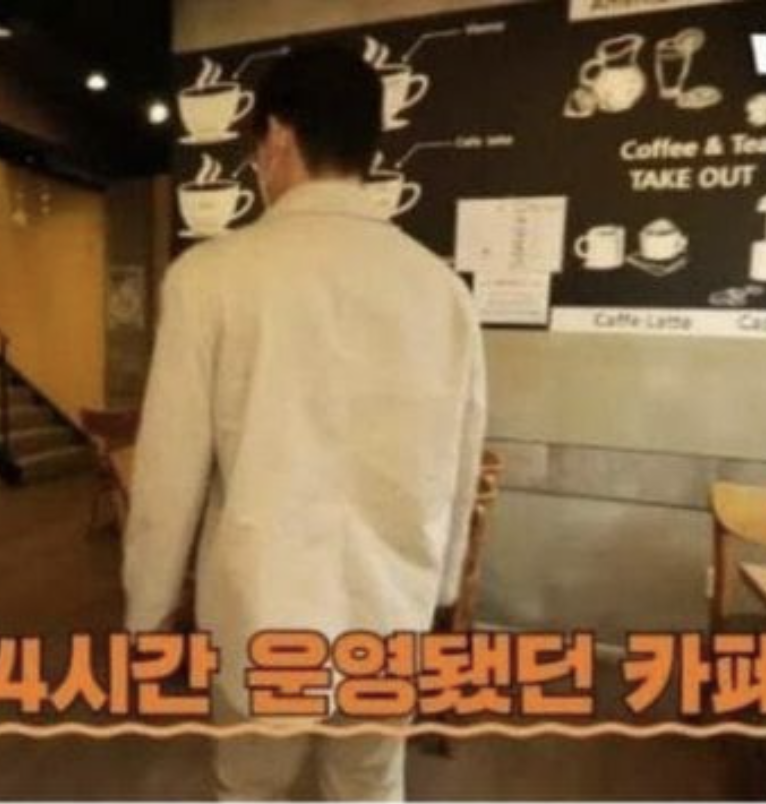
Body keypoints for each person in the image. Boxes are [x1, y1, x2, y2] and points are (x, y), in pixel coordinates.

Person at [123, 45, 487, 801]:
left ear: (278, 135)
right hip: (389, 606)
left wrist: (147, 612)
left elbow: (167, 472)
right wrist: (443, 587)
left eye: (256, 145)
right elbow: (461, 460)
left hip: (262, 608)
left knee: (250, 788)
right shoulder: (441, 289)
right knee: (370, 786)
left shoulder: (209, 277)